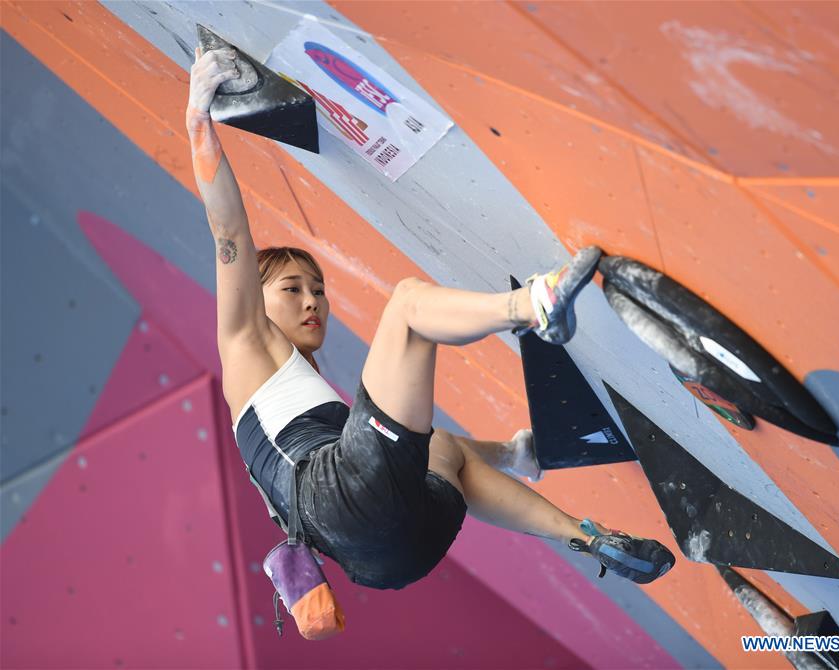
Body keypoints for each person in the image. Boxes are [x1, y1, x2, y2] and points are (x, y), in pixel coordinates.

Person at [187, 46, 674, 590]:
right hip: (343, 497)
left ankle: (583, 530)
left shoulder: (280, 411)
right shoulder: (244, 341)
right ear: (253, 296)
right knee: (408, 308)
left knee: (432, 445)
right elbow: (229, 233)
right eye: (293, 288)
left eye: (319, 290)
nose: (313, 302)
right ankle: (533, 305)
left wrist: (506, 454)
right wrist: (197, 118)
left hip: (390, 559)